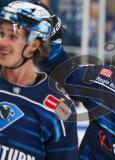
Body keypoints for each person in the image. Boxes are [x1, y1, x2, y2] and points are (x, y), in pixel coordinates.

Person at [0, 1, 79, 160]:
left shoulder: (60, 109)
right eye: (1, 33)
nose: (2, 42)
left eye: (13, 36)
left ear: (34, 44)